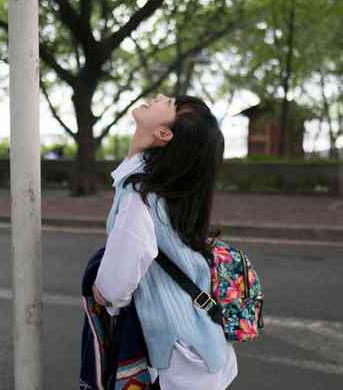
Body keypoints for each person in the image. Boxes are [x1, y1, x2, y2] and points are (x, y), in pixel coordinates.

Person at [93, 94, 237, 390]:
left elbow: (113, 287)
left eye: (168, 102)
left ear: (163, 133)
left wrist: (101, 292)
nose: (158, 96)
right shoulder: (163, 189)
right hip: (202, 348)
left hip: (179, 360)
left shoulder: (139, 196)